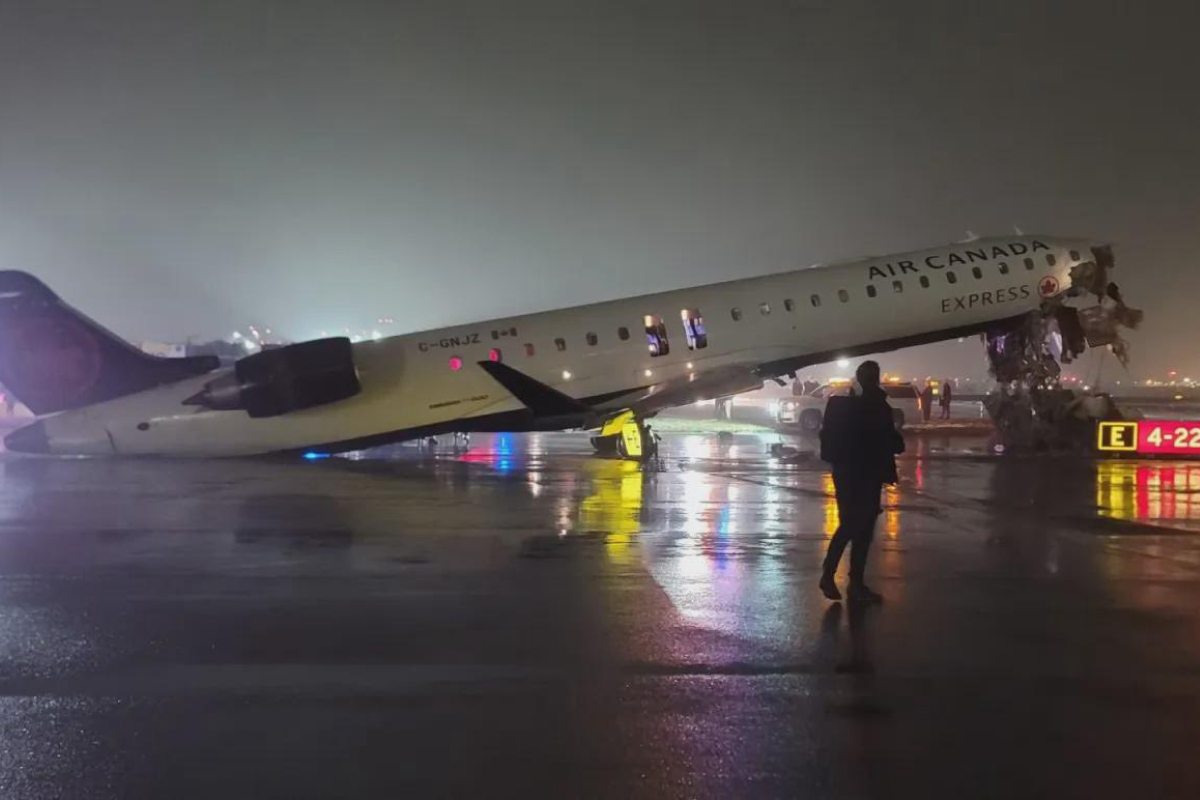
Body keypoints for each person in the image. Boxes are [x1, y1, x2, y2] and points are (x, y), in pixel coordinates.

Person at [818, 361, 905, 604]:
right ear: (876, 378)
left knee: (849, 526)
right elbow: (893, 442)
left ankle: (834, 576)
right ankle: (851, 582)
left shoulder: (844, 406)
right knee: (861, 530)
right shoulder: (878, 406)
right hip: (867, 476)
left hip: (846, 474)